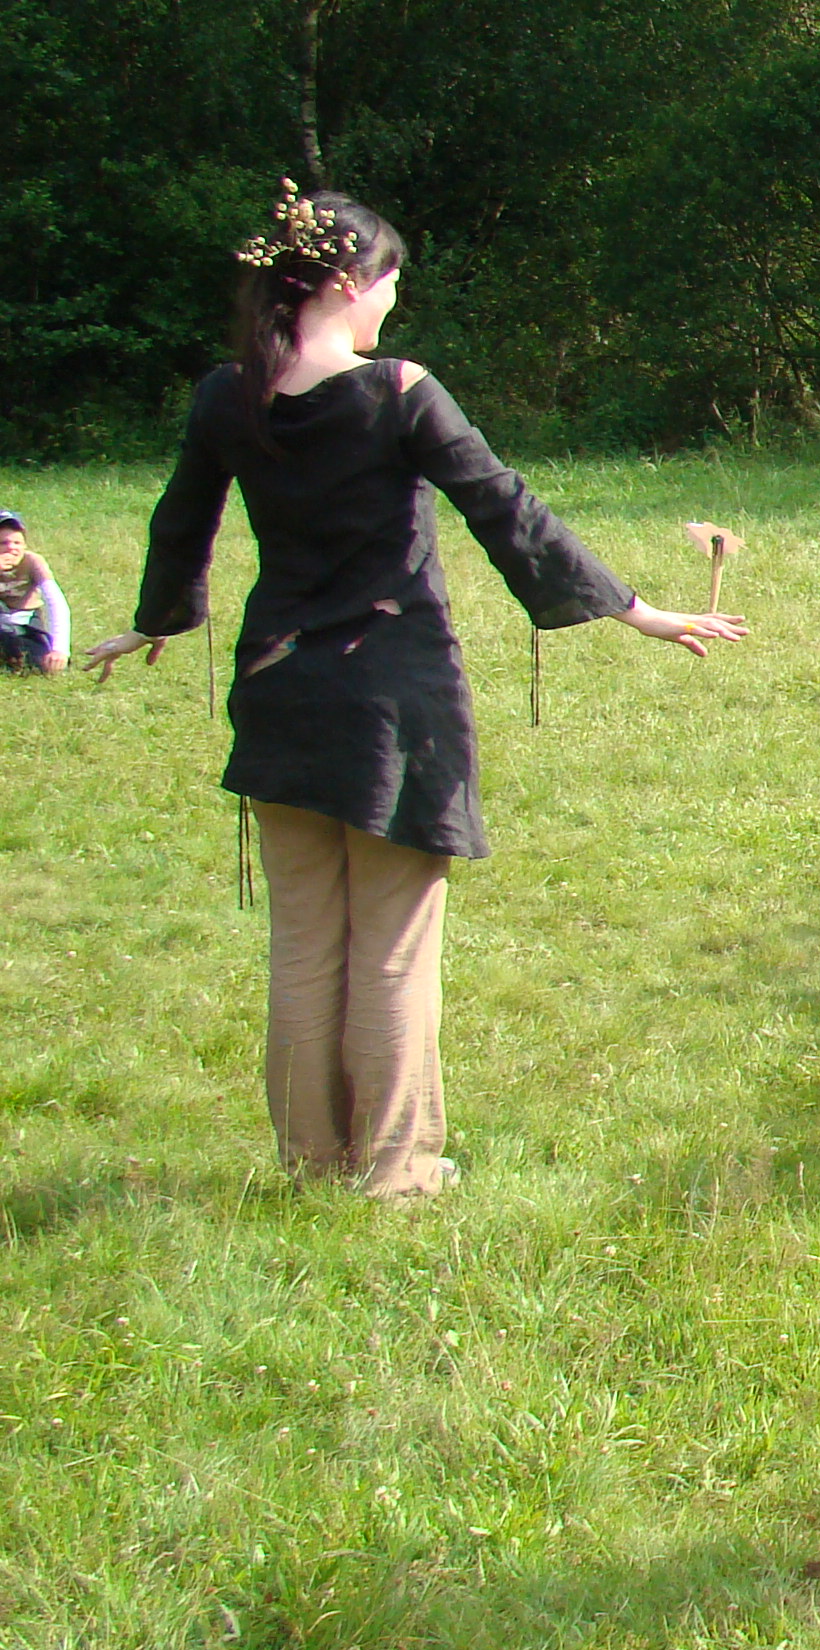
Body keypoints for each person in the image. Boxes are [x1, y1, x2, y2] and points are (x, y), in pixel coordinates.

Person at [82, 183, 746, 1200]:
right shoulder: (397, 390)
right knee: (390, 952)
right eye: (390, 283)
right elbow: (504, 506)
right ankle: (395, 1175)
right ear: (349, 283)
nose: (393, 303)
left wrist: (156, 620)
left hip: (277, 692)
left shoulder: (228, 394)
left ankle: (314, 1169)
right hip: (391, 703)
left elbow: (182, 522)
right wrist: (639, 611)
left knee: (305, 949)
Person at [0, 511, 69, 674]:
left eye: (17, 543)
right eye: (3, 543)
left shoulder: (32, 561)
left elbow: (55, 601)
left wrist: (60, 649)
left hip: (26, 624)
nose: (12, 548)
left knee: (39, 664)